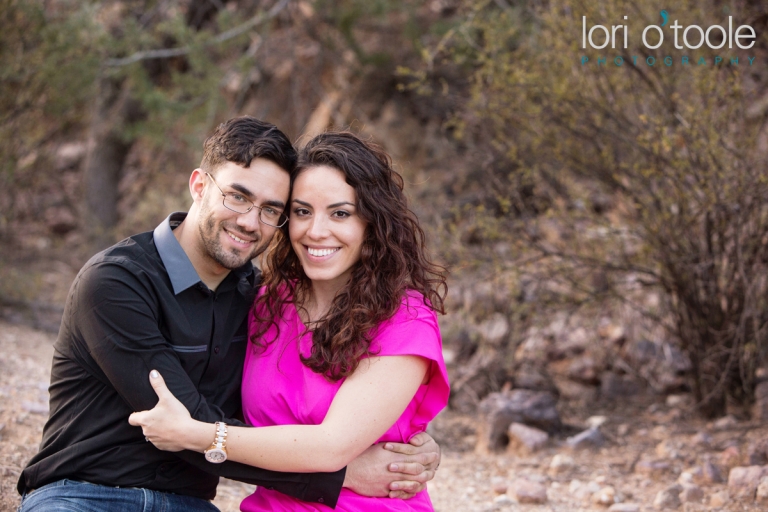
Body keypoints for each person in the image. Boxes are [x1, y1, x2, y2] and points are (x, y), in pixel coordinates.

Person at [17, 118, 440, 512]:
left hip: (188, 503)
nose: (249, 221)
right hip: (83, 494)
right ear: (199, 185)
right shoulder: (116, 282)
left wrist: (404, 440)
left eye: (271, 209)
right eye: (237, 196)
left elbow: (267, 421)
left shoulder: (256, 299)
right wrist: (340, 473)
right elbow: (183, 423)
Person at [130, 131, 450, 511]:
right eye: (301, 211)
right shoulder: (266, 302)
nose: (315, 231)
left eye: (340, 213)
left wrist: (200, 435)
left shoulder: (404, 320)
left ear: (373, 224)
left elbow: (331, 447)